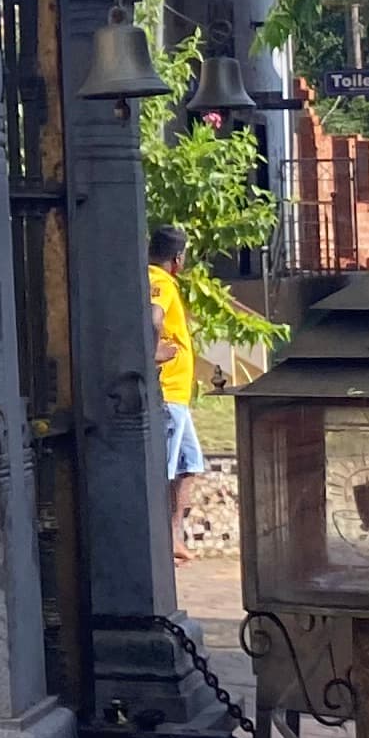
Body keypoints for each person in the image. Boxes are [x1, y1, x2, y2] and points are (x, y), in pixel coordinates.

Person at [147, 224, 202, 562]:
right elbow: (153, 319)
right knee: (163, 469)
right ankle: (158, 544)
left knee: (189, 464)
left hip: (178, 396)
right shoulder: (161, 281)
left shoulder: (152, 277)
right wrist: (150, 353)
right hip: (167, 396)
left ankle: (173, 536)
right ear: (177, 259)